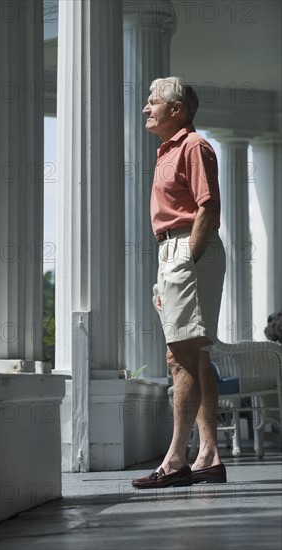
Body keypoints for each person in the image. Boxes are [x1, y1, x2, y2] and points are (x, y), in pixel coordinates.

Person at [132, 77, 227, 489]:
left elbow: (209, 207)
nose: (145, 108)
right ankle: (209, 455)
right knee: (194, 355)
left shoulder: (193, 146)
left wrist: (187, 257)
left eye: (153, 102)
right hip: (171, 251)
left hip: (187, 248)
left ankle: (175, 461)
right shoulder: (167, 151)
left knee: (180, 356)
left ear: (178, 109)